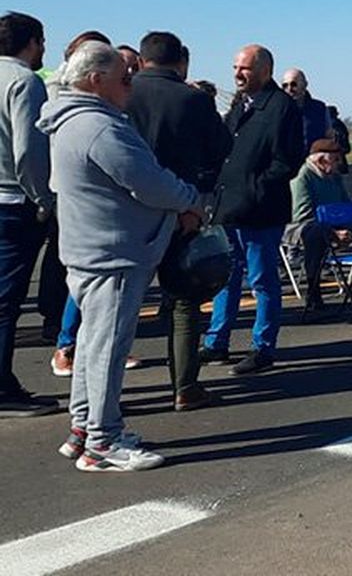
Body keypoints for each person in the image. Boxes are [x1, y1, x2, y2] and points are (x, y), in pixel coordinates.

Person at [38, 42, 202, 470]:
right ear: (96, 80)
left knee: (93, 344)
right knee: (108, 347)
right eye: (124, 77)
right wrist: (188, 200)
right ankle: (103, 441)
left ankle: (83, 427)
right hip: (113, 252)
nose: (131, 83)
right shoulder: (98, 127)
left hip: (90, 247)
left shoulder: (68, 119)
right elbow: (147, 181)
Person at [122, 31, 231, 411]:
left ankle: (107, 392)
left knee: (120, 305)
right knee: (184, 301)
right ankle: (185, 385)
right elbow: (221, 149)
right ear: (181, 61)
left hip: (127, 213)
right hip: (180, 208)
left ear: (141, 58)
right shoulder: (193, 99)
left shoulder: (122, 92)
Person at [203, 44, 303, 376]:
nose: (237, 73)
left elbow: (287, 161)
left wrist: (255, 187)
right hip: (228, 208)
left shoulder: (281, 107)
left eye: (244, 68)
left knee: (262, 280)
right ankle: (216, 341)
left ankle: (263, 347)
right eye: (235, 67)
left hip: (260, 210)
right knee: (225, 277)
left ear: (264, 70)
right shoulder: (239, 106)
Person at [0, 11, 58, 415]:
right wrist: (44, 199)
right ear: (32, 42)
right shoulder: (24, 82)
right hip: (13, 202)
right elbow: (28, 152)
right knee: (7, 301)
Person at [286, 139, 352, 318]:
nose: (339, 164)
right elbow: (302, 214)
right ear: (321, 161)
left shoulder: (334, 176)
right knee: (316, 234)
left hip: (334, 220)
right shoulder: (302, 177)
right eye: (335, 160)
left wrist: (349, 223)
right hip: (304, 225)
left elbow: (344, 203)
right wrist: (334, 233)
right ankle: (313, 293)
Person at [279, 68, 329, 155]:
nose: (289, 89)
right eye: (285, 86)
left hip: (313, 163)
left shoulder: (320, 109)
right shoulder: (277, 110)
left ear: (305, 85)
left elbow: (329, 137)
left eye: (294, 84)